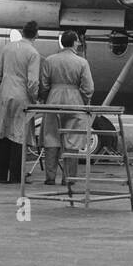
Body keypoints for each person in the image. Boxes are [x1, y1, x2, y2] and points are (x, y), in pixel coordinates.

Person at [38, 30, 94, 185]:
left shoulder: (49, 60)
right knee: (72, 140)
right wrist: (81, 99)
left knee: (51, 138)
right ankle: (69, 178)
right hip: (74, 101)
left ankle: (50, 177)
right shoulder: (82, 62)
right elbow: (88, 88)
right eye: (77, 41)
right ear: (74, 42)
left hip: (53, 100)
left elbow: (43, 84)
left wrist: (46, 97)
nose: (79, 43)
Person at [0, 21, 41, 184]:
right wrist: (34, 99)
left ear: (22, 31)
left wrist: (4, 87)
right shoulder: (33, 53)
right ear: (36, 34)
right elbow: (33, 82)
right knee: (19, 136)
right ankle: (15, 176)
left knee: (3, 133)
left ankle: (0, 174)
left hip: (5, 93)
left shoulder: (7, 48)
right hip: (22, 96)